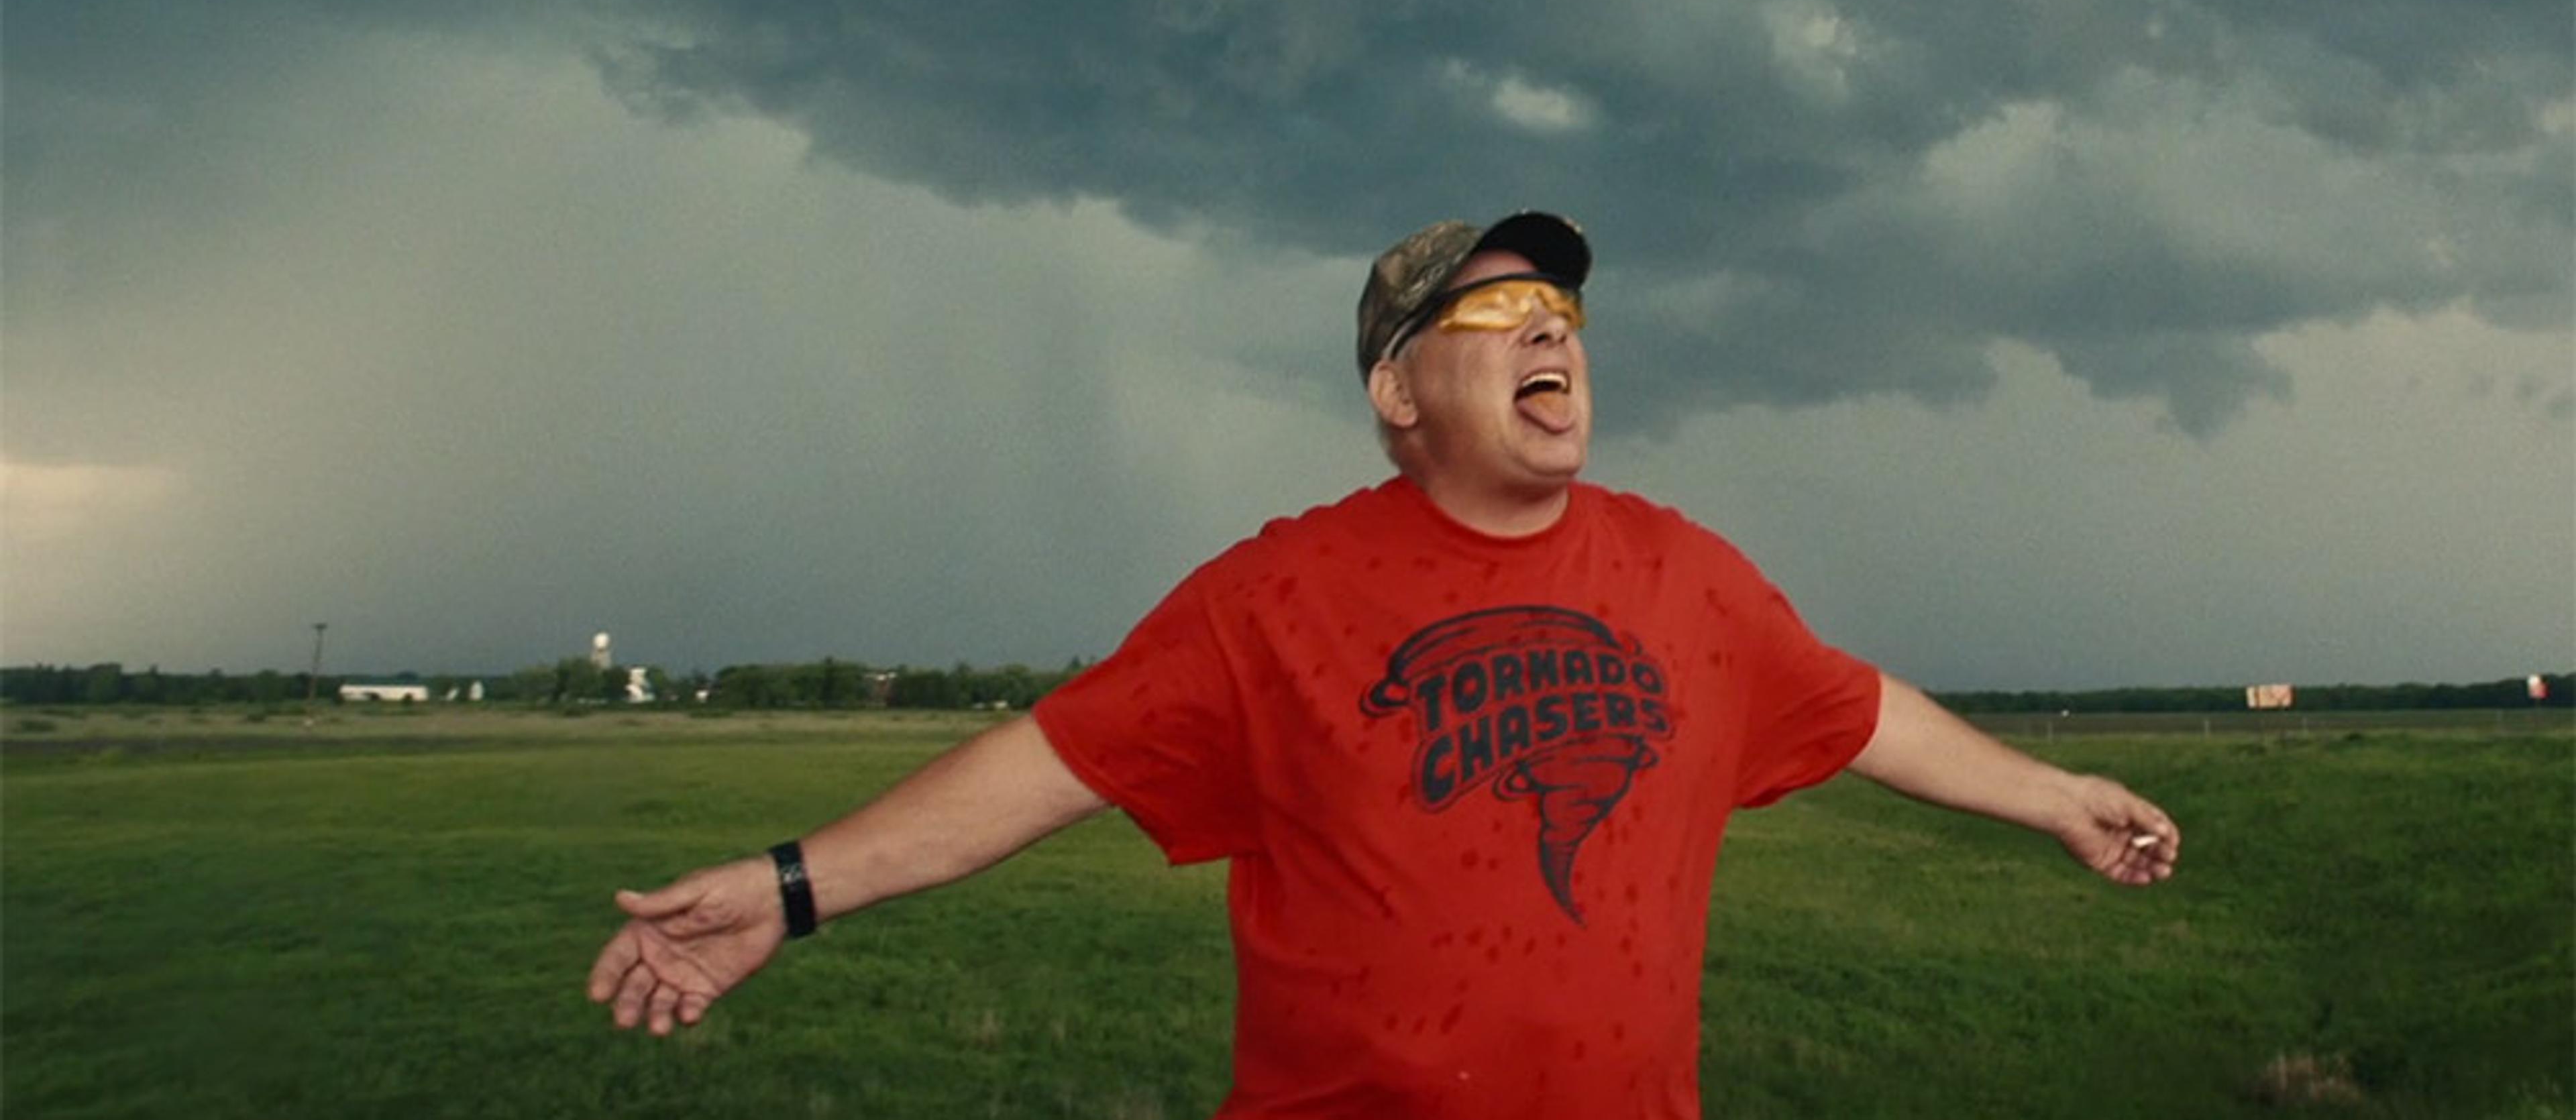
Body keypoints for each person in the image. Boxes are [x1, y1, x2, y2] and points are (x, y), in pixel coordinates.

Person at [586, 211, 2180, 1118]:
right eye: (1495, 311)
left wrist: (2055, 796)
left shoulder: (1687, 577)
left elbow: (1851, 705)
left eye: (1561, 309)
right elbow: (1046, 766)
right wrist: (788, 889)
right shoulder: (1275, 597)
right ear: (1399, 393)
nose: (1549, 330)